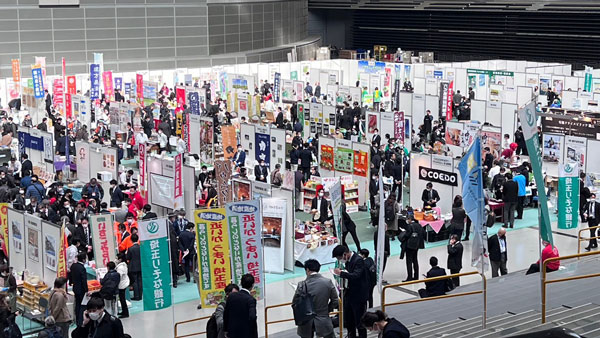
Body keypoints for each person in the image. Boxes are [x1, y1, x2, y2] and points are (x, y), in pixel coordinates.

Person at [292, 259, 338, 338]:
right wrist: (327, 309)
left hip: (306, 321)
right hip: (323, 319)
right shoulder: (328, 282)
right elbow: (335, 300)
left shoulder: (301, 285)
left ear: (307, 270)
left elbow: (295, 303)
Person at [332, 245, 369, 338]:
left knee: (360, 321)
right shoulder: (349, 261)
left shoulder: (358, 260)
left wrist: (342, 273)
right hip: (349, 294)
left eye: (340, 258)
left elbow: (356, 275)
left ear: (345, 254)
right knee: (349, 320)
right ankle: (351, 335)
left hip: (358, 296)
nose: (340, 260)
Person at [223, 274, 258, 338]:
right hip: (246, 333)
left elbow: (226, 314)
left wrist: (225, 330)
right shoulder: (251, 300)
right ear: (252, 285)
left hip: (232, 332)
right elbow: (252, 317)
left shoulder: (231, 296)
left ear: (241, 283)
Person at [403, 215, 425, 281]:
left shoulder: (410, 226)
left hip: (410, 246)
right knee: (415, 260)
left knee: (409, 261)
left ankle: (409, 277)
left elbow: (407, 235)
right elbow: (423, 233)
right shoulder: (419, 225)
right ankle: (416, 276)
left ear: (410, 219)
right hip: (417, 245)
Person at [69, 252, 88, 327]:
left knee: (77, 304)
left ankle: (77, 320)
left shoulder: (73, 266)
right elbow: (84, 280)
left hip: (75, 288)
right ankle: (80, 321)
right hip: (81, 290)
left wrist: (71, 282)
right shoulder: (82, 268)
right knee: (82, 306)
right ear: (83, 260)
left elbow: (70, 275)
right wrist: (86, 290)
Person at [126, 234, 142, 301]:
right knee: (140, 281)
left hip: (133, 267)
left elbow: (128, 257)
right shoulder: (141, 247)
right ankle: (140, 295)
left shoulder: (130, 249)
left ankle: (136, 296)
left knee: (135, 282)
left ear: (131, 240)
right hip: (140, 266)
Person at [115, 253, 130, 318]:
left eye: (117, 258)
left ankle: (125, 313)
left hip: (122, 284)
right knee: (122, 299)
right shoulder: (124, 265)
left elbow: (119, 277)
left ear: (120, 259)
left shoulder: (120, 267)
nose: (116, 259)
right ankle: (124, 311)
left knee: (122, 299)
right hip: (125, 282)